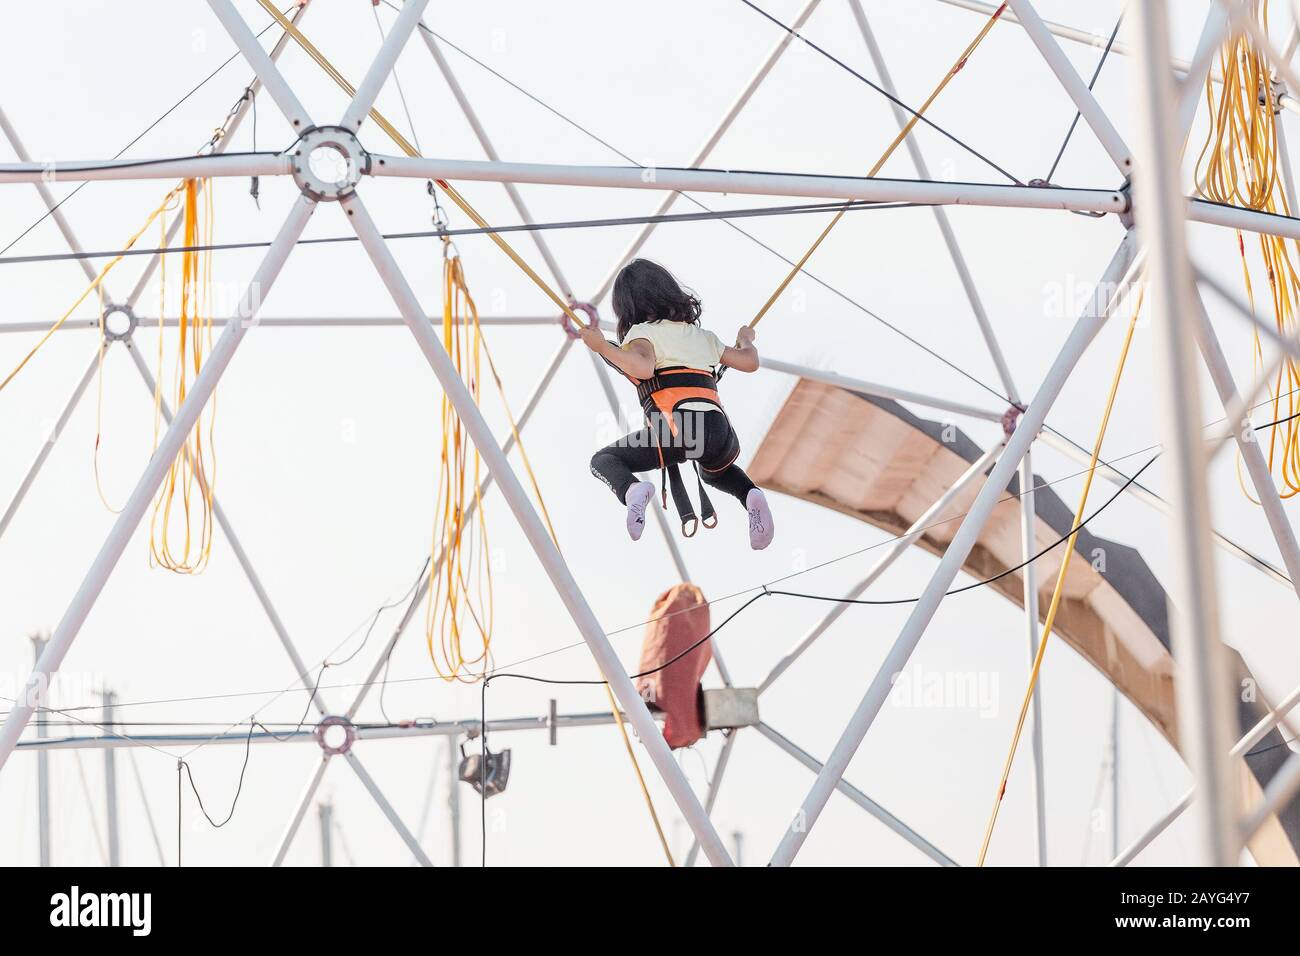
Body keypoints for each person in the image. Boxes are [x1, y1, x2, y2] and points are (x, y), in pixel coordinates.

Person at [582, 259, 775, 550]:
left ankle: (633, 489)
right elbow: (749, 362)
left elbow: (643, 368)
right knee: (715, 472)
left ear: (628, 306)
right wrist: (746, 340)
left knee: (604, 460)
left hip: (678, 429)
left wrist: (602, 347)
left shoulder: (642, 334)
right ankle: (750, 494)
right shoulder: (703, 337)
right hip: (719, 431)